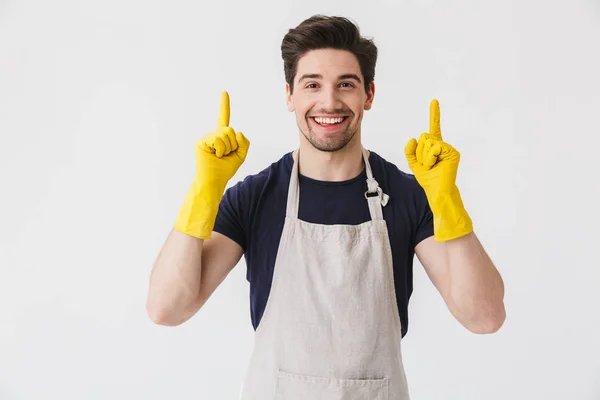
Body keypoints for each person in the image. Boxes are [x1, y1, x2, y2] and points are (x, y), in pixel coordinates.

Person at [146, 14, 506, 399]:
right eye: (312, 84)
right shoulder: (256, 196)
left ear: (368, 94)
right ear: (290, 95)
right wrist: (204, 191)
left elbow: (484, 317)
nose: (329, 101)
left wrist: (446, 199)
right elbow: (167, 308)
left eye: (346, 84)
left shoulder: (406, 194)